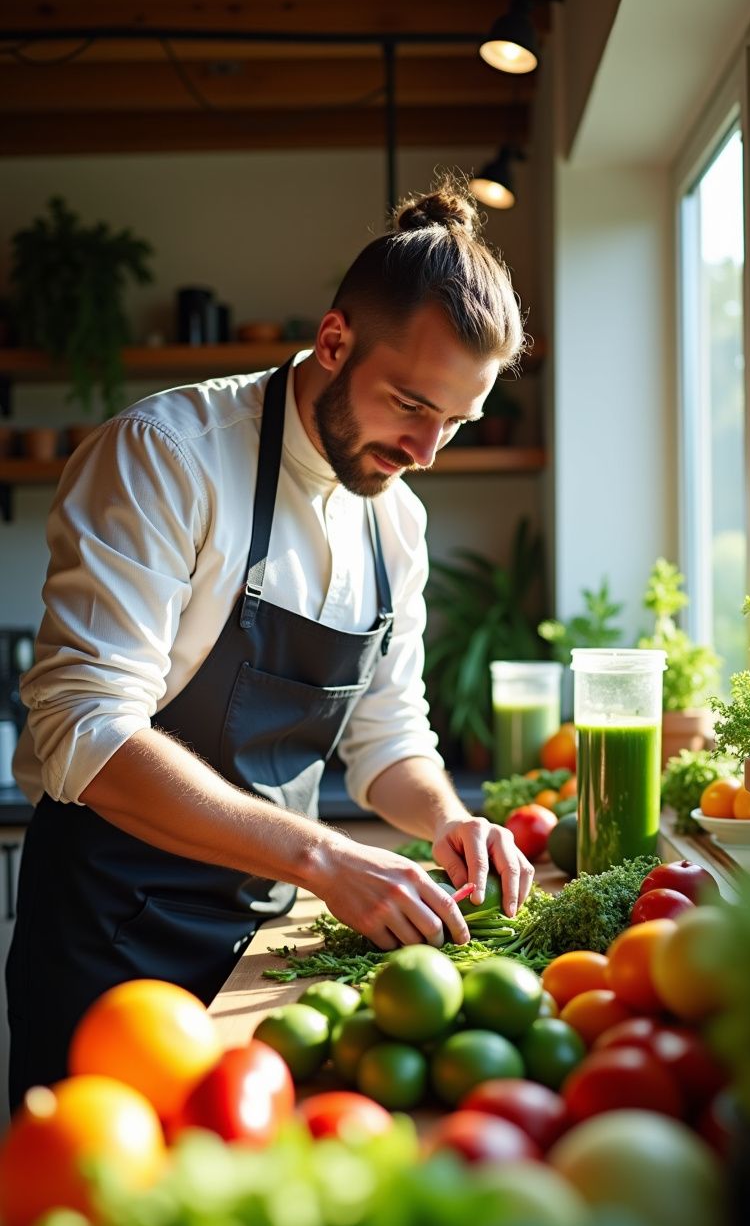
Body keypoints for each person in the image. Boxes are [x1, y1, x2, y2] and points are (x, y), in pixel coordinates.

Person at [7, 177, 535, 1107]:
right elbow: (83, 730)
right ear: (334, 342)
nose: (426, 450)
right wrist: (324, 859)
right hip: (112, 940)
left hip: (262, 945)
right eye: (410, 403)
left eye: (455, 421)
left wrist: (447, 820)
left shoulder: (395, 523)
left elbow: (388, 739)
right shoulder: (167, 457)